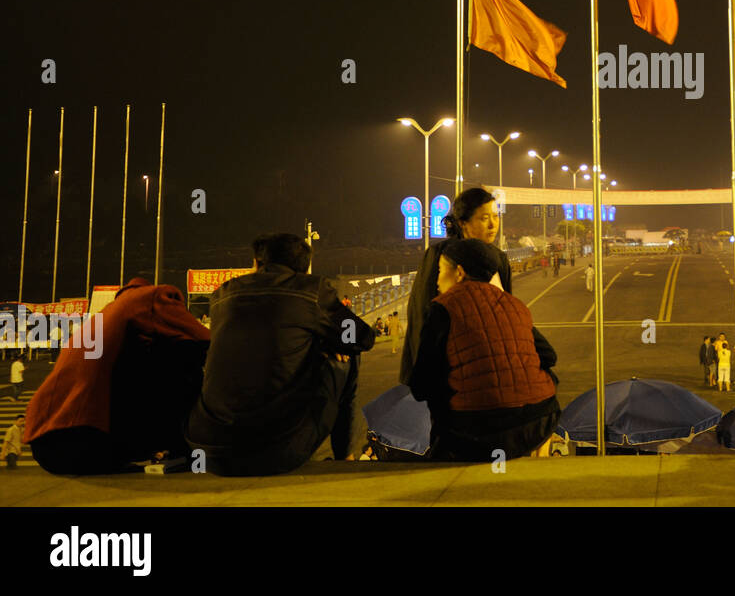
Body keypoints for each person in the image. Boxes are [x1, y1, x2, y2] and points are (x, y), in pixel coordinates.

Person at [186, 234, 374, 476]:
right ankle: (345, 457)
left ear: (257, 262)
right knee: (349, 353)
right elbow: (363, 337)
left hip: (209, 447)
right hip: (276, 451)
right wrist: (330, 344)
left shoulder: (223, 293)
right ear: (303, 268)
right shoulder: (310, 289)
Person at [24, 277, 210, 475]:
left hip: (50, 448)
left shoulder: (102, 316)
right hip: (85, 440)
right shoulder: (152, 297)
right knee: (185, 353)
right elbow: (205, 340)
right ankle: (190, 451)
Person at [408, 238, 560, 460]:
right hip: (540, 419)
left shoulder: (443, 307)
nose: (437, 281)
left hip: (480, 430)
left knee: (437, 389)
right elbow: (549, 356)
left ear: (459, 273)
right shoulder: (513, 304)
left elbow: (421, 385)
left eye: (440, 271)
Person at [401, 188, 512, 387]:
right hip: (449, 370)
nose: (492, 224)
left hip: (490, 368)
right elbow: (421, 312)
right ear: (463, 223)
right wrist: (424, 374)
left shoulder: (499, 259)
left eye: (496, 216)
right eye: (484, 218)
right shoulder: (440, 255)